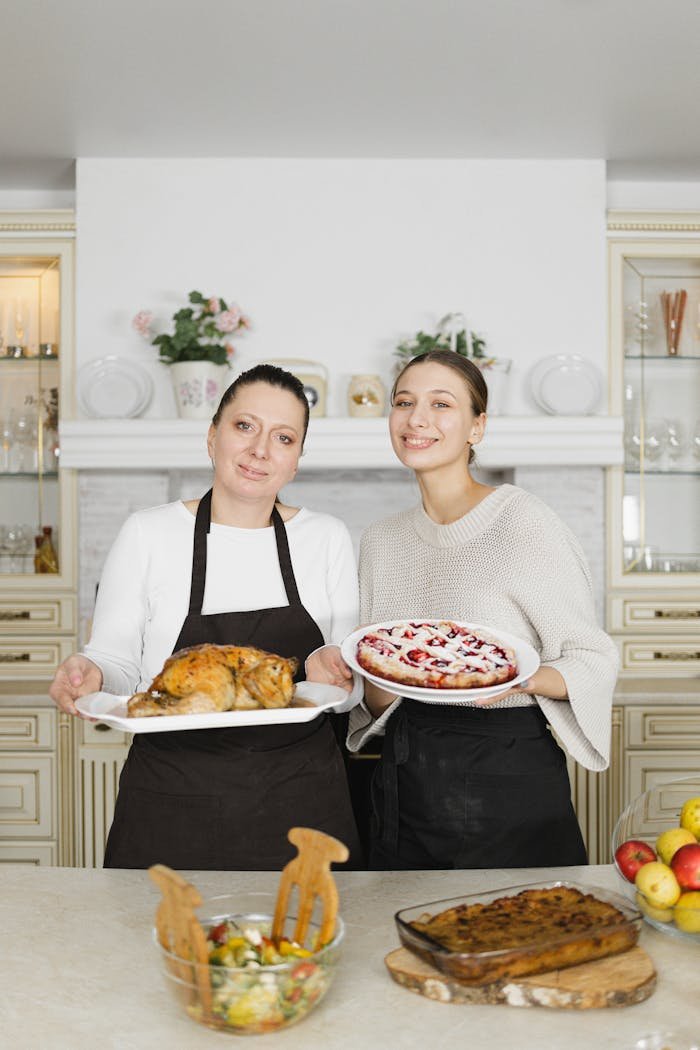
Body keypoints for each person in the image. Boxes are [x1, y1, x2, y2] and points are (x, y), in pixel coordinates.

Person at [49, 363, 362, 870]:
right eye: (245, 427)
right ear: (212, 436)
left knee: (309, 946)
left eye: (283, 437)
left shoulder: (326, 538)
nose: (260, 450)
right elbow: (117, 661)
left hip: (302, 798)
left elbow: (345, 679)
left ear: (297, 460)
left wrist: (337, 668)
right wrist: (93, 672)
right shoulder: (148, 533)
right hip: (172, 797)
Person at [346, 349, 619, 871]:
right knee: (403, 934)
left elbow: (592, 658)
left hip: (506, 772)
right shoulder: (381, 541)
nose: (417, 418)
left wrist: (517, 679)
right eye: (404, 402)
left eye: (441, 404)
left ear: (478, 426)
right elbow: (380, 697)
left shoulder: (523, 521)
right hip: (406, 777)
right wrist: (364, 677)